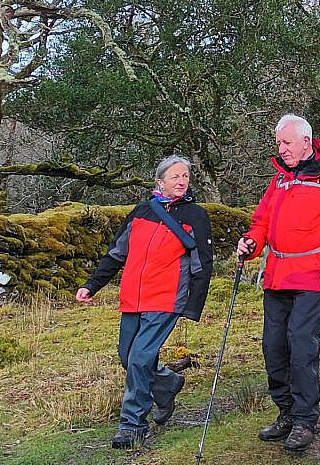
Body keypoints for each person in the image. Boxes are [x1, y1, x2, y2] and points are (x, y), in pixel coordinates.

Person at [237, 114, 320, 452]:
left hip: (315, 275)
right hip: (277, 276)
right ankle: (287, 412)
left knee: (301, 344)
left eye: (286, 143)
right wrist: (252, 242)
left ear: (306, 142)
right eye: (278, 143)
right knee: (273, 345)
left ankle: (306, 420)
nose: (281, 149)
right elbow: (262, 220)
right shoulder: (280, 178)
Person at [76, 155, 213, 450]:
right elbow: (116, 253)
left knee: (139, 359)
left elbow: (203, 264)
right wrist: (92, 285)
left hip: (166, 299)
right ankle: (166, 384)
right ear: (159, 181)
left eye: (185, 176)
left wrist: (193, 306)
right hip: (133, 298)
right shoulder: (141, 211)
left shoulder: (196, 215)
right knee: (129, 357)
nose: (181, 181)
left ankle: (133, 425)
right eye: (175, 176)